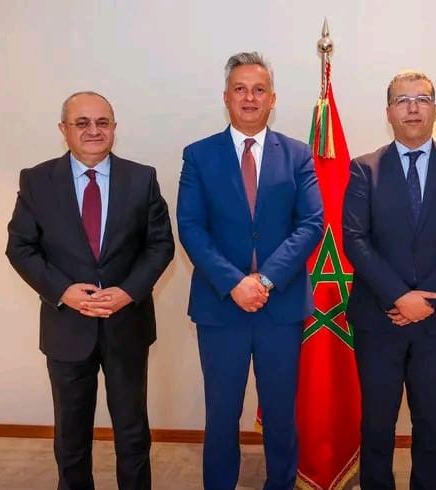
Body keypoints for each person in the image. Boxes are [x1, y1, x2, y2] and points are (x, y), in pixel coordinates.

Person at [6, 91, 174, 490]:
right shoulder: (37, 180)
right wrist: (63, 291)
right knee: (71, 435)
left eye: (102, 122)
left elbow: (160, 245)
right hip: (66, 327)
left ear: (114, 128)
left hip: (126, 325)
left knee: (132, 433)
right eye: (82, 123)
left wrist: (128, 292)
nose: (93, 131)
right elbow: (20, 247)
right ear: (63, 130)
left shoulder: (142, 178)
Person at [177, 52, 323, 490]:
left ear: (272, 99)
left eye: (259, 90)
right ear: (226, 97)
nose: (249, 97)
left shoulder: (297, 154)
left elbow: (311, 223)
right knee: (222, 414)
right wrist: (235, 283)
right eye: (240, 89)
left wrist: (265, 279)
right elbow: (191, 227)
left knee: (280, 413)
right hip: (221, 307)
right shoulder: (199, 155)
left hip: (281, 307)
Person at [343, 71, 436, 490]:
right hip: (378, 320)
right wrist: (398, 296)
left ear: (434, 109)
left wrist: (427, 301)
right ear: (388, 112)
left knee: (431, 428)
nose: (412, 107)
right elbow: (355, 239)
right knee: (377, 427)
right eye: (402, 100)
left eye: (421, 99)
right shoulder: (365, 169)